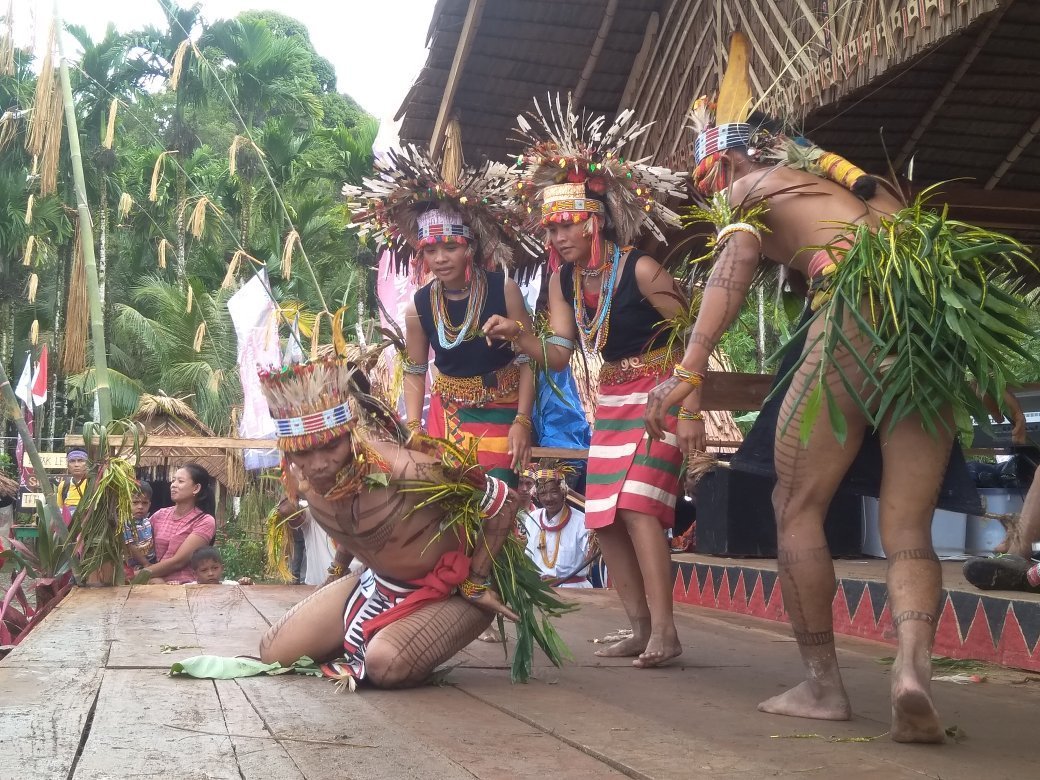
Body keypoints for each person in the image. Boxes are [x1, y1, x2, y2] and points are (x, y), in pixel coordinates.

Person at [643, 33, 1035, 743]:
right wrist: (989, 375)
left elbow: (731, 270)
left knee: (796, 504)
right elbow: (941, 286)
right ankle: (911, 668)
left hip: (851, 314)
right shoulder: (873, 196)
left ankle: (823, 685)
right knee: (908, 528)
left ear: (728, 160)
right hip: (929, 334)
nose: (713, 191)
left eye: (710, 179)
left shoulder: (751, 185)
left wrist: (690, 368)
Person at [483, 95, 688, 668]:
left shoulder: (643, 270)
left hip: (659, 396)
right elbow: (555, 356)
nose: (559, 238)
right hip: (613, 401)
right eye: (551, 229)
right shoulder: (565, 283)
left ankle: (668, 633)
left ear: (594, 221)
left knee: (640, 507)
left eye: (568, 225)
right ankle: (639, 626)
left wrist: (687, 405)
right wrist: (517, 337)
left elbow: (695, 339)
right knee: (604, 515)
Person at [255, 353, 570, 688]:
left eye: (330, 446)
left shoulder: (405, 469)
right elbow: (352, 526)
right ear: (289, 451)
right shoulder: (306, 484)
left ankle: (467, 610)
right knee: (273, 652)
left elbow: (503, 499)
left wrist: (476, 581)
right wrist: (336, 571)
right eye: (304, 452)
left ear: (350, 436)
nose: (318, 463)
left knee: (384, 666)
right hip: (377, 582)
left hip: (450, 591)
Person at [346, 146, 535, 488]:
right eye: (431, 250)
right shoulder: (419, 306)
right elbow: (416, 369)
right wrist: (415, 430)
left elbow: (529, 358)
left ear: (470, 248)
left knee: (497, 500)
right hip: (447, 417)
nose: (440, 258)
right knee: (447, 502)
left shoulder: (502, 289)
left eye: (450, 247)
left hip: (502, 410)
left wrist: (523, 420)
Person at [142, 464, 217, 585]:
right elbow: (140, 540)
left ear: (196, 488)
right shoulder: (160, 515)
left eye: (180, 481)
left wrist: (137, 575)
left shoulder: (204, 521)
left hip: (185, 588)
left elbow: (178, 562)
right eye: (173, 480)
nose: (173, 485)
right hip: (154, 584)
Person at [521, 465, 592, 587]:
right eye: (542, 493)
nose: (548, 498)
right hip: (540, 590)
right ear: (537, 496)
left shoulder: (582, 522)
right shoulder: (532, 518)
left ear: (563, 492)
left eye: (554, 492)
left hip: (575, 590)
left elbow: (593, 557)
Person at [124, 481, 157, 573]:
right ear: (126, 503)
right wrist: (146, 564)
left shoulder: (147, 521)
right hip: (133, 566)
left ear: (149, 504)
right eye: (135, 502)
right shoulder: (125, 523)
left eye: (144, 503)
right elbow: (130, 546)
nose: (140, 507)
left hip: (151, 562)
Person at [188, 546, 253, 586]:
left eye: (215, 568)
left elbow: (251, 590)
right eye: (204, 570)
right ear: (195, 574)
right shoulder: (189, 589)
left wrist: (246, 583)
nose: (211, 573)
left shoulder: (230, 586)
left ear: (222, 568)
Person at [56, 450, 89, 517]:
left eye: (80, 461)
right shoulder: (63, 485)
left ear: (87, 464)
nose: (76, 465)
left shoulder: (93, 484)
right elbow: (58, 512)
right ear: (67, 465)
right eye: (72, 461)